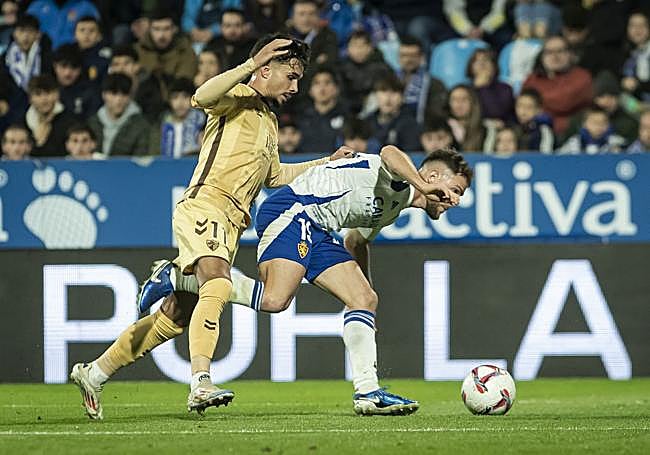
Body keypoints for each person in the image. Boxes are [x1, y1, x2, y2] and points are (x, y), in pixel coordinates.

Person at [70, 33, 354, 420]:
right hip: (206, 204)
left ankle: (95, 372)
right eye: (291, 76)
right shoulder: (236, 95)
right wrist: (249, 64)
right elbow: (201, 96)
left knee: (174, 317)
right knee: (218, 283)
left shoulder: (269, 120)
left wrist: (326, 163)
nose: (295, 87)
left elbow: (274, 176)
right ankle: (200, 382)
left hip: (232, 223)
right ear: (265, 69)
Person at [135, 146, 466, 416]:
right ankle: (178, 276)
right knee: (275, 300)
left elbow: (355, 242)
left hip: (319, 230)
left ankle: (368, 392)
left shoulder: (395, 206)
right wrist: (422, 186)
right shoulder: (398, 179)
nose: (456, 200)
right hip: (294, 210)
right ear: (433, 177)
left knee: (365, 299)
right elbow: (389, 151)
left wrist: (364, 303)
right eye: (455, 190)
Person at [522, 35, 592, 136]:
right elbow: (524, 104)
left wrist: (539, 103)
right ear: (542, 56)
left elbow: (564, 103)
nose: (555, 56)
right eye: (549, 52)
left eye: (560, 51)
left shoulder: (582, 76)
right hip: (536, 131)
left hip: (573, 133)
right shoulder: (532, 79)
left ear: (570, 54)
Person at [87, 73, 151, 156]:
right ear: (103, 95)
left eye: (124, 94)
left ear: (130, 96)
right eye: (114, 94)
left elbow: (140, 157)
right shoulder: (92, 123)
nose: (119, 99)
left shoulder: (141, 125)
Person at [296, 66, 348, 155]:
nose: (322, 88)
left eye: (327, 83)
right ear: (310, 90)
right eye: (317, 83)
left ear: (336, 88)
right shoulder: (300, 118)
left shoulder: (348, 118)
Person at [22, 74, 78, 157]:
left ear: (57, 95)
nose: (44, 99)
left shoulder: (70, 122)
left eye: (48, 93)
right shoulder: (22, 122)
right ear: (30, 98)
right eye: (38, 94)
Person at [366, 75, 421, 152]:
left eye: (394, 92)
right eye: (384, 91)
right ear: (375, 95)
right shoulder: (367, 121)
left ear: (402, 97)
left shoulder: (410, 124)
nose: (388, 98)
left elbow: (411, 154)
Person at [159, 77, 206, 158]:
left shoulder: (202, 121)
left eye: (185, 96)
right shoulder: (163, 123)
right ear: (169, 101)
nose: (180, 102)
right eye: (175, 97)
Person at [559, 105, 625, 154]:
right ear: (584, 124)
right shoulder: (574, 142)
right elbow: (559, 159)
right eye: (595, 122)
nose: (599, 126)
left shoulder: (618, 142)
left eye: (603, 122)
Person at [514, 87, 554, 153]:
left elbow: (546, 155)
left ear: (539, 110)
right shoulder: (510, 127)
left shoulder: (544, 130)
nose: (523, 111)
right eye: (520, 106)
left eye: (529, 107)